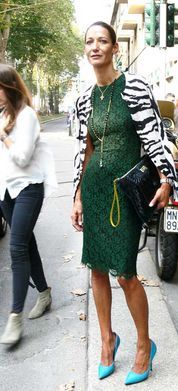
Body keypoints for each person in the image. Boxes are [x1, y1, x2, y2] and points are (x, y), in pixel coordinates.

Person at [71, 21, 178, 385]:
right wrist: (78, 195)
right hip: (97, 189)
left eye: (102, 40)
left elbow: (154, 136)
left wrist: (167, 178)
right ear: (85, 49)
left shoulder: (134, 87)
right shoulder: (84, 98)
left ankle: (145, 346)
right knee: (97, 269)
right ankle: (107, 341)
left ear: (115, 48)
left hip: (125, 191)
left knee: (126, 273)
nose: (95, 46)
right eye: (90, 41)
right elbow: (84, 150)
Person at [0, 64, 57, 346]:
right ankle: (44, 293)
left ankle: (14, 317)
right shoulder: (3, 115)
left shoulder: (27, 116)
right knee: (26, 243)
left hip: (28, 188)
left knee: (17, 248)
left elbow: (22, 157)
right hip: (6, 190)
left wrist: (3, 136)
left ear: (9, 87)